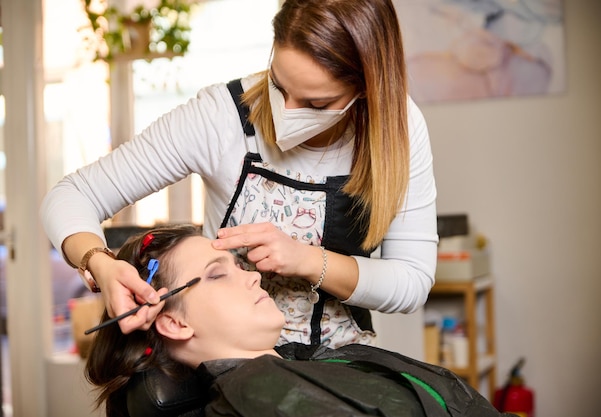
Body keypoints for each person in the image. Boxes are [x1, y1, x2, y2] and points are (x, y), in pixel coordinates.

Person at [40, 0, 438, 348]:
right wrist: (100, 263)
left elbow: (411, 282)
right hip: (231, 362)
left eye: (316, 103)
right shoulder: (219, 117)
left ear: (367, 88)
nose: (286, 114)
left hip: (342, 363)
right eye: (278, 86)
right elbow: (71, 195)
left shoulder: (397, 126)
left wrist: (306, 260)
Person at [85, 225, 511, 417]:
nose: (253, 275)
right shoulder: (259, 397)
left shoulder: (295, 365)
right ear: (174, 324)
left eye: (237, 265)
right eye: (218, 274)